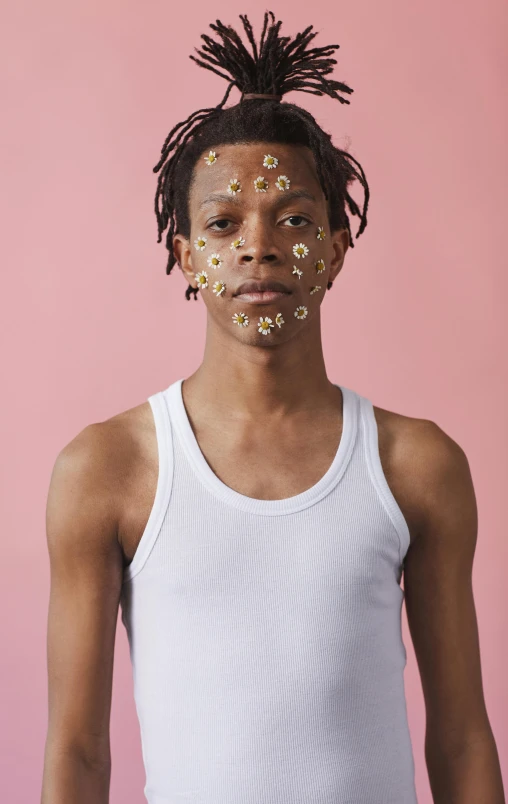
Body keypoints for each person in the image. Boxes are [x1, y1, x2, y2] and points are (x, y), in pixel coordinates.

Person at [41, 11, 505, 804]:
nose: (259, 246)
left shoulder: (414, 465)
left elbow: (461, 737)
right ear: (186, 253)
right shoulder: (111, 469)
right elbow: (79, 753)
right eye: (224, 224)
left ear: (334, 246)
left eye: (293, 219)